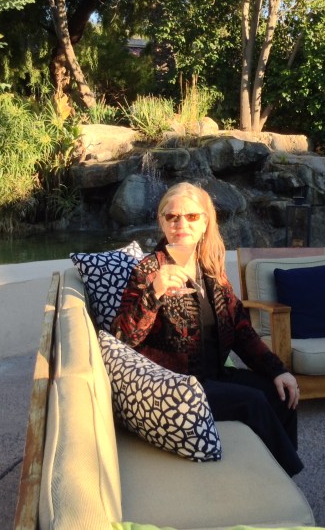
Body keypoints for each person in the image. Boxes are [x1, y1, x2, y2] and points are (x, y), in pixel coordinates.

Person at [112, 182, 303, 477]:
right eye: (172, 216)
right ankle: (281, 479)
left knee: (282, 393)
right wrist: (154, 293)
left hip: (213, 376)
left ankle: (278, 475)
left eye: (191, 216)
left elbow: (240, 329)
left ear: (205, 223)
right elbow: (123, 337)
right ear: (161, 222)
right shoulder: (149, 271)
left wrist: (277, 370)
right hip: (176, 386)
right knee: (253, 402)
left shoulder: (211, 268)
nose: (181, 224)